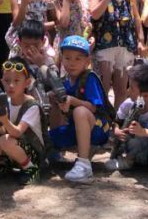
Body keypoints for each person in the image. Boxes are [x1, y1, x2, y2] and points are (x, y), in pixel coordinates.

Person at [48, 35, 112, 184]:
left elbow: (93, 107)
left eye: (78, 59)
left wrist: (73, 101)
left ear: (87, 61)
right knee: (50, 138)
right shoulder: (64, 81)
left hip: (98, 128)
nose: (72, 63)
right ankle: (54, 153)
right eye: (68, 58)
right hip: (76, 128)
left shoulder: (90, 78)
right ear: (61, 59)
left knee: (80, 111)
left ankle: (84, 165)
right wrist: (56, 102)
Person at [87, 0, 142, 106]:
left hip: (125, 42)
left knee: (121, 87)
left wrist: (141, 40)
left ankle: (118, 117)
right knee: (103, 85)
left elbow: (136, 16)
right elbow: (94, 14)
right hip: (105, 43)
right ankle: (103, 116)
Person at [0, 56, 46, 185]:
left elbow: (17, 132)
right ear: (2, 81)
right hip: (13, 147)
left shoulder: (32, 106)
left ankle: (31, 169)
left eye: (16, 81)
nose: (11, 85)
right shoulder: (6, 102)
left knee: (6, 141)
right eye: (7, 81)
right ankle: (3, 165)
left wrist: (4, 120)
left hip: (33, 154)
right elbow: (0, 132)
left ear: (27, 83)